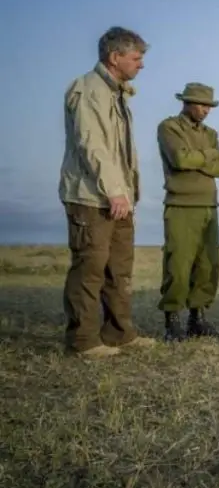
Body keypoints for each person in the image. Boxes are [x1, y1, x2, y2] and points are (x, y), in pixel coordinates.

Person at [58, 27, 157, 357]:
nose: (141, 65)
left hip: (118, 198)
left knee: (119, 269)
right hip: (92, 197)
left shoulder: (117, 92)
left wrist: (126, 193)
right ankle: (83, 340)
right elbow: (93, 145)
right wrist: (115, 191)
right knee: (90, 268)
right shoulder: (89, 90)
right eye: (136, 58)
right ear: (115, 57)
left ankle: (119, 333)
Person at [155, 83, 219, 342]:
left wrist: (199, 157)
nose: (206, 110)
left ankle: (198, 318)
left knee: (208, 264)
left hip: (209, 204)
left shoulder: (211, 133)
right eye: (201, 104)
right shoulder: (169, 127)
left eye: (209, 106)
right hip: (180, 205)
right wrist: (208, 157)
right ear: (186, 102)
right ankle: (172, 319)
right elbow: (179, 159)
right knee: (178, 264)